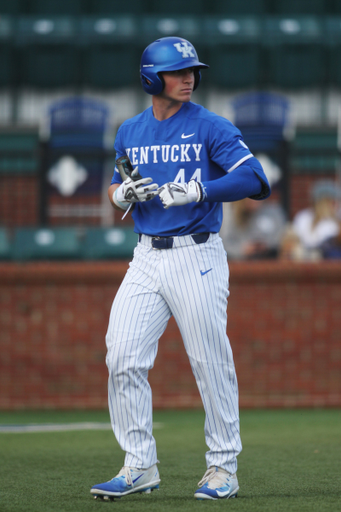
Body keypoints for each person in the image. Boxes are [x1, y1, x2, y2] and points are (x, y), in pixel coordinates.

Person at [90, 36, 270, 502]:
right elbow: (116, 183)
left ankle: (222, 468)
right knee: (121, 356)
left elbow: (256, 180)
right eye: (177, 71)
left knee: (210, 361)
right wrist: (121, 196)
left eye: (192, 70)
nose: (189, 77)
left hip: (197, 253)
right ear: (153, 78)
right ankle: (139, 465)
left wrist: (200, 190)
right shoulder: (129, 129)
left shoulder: (210, 125)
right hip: (146, 255)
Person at [279, 179, 341, 261]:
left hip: (326, 263)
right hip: (301, 262)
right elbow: (292, 243)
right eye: (333, 202)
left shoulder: (336, 221)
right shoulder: (303, 217)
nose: (337, 205)